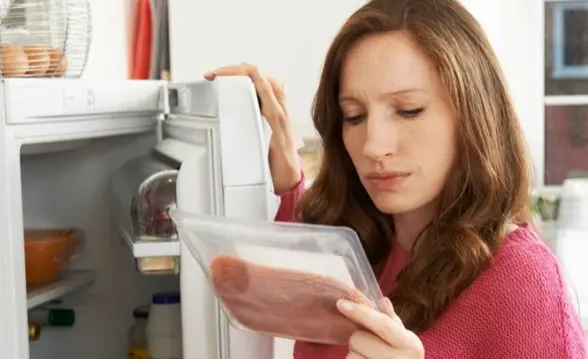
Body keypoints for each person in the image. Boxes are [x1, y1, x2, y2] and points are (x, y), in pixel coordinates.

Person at [204, 0, 587, 358]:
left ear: (473, 116)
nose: (373, 145)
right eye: (354, 116)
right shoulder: (357, 244)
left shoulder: (523, 284)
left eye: (408, 110)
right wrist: (285, 170)